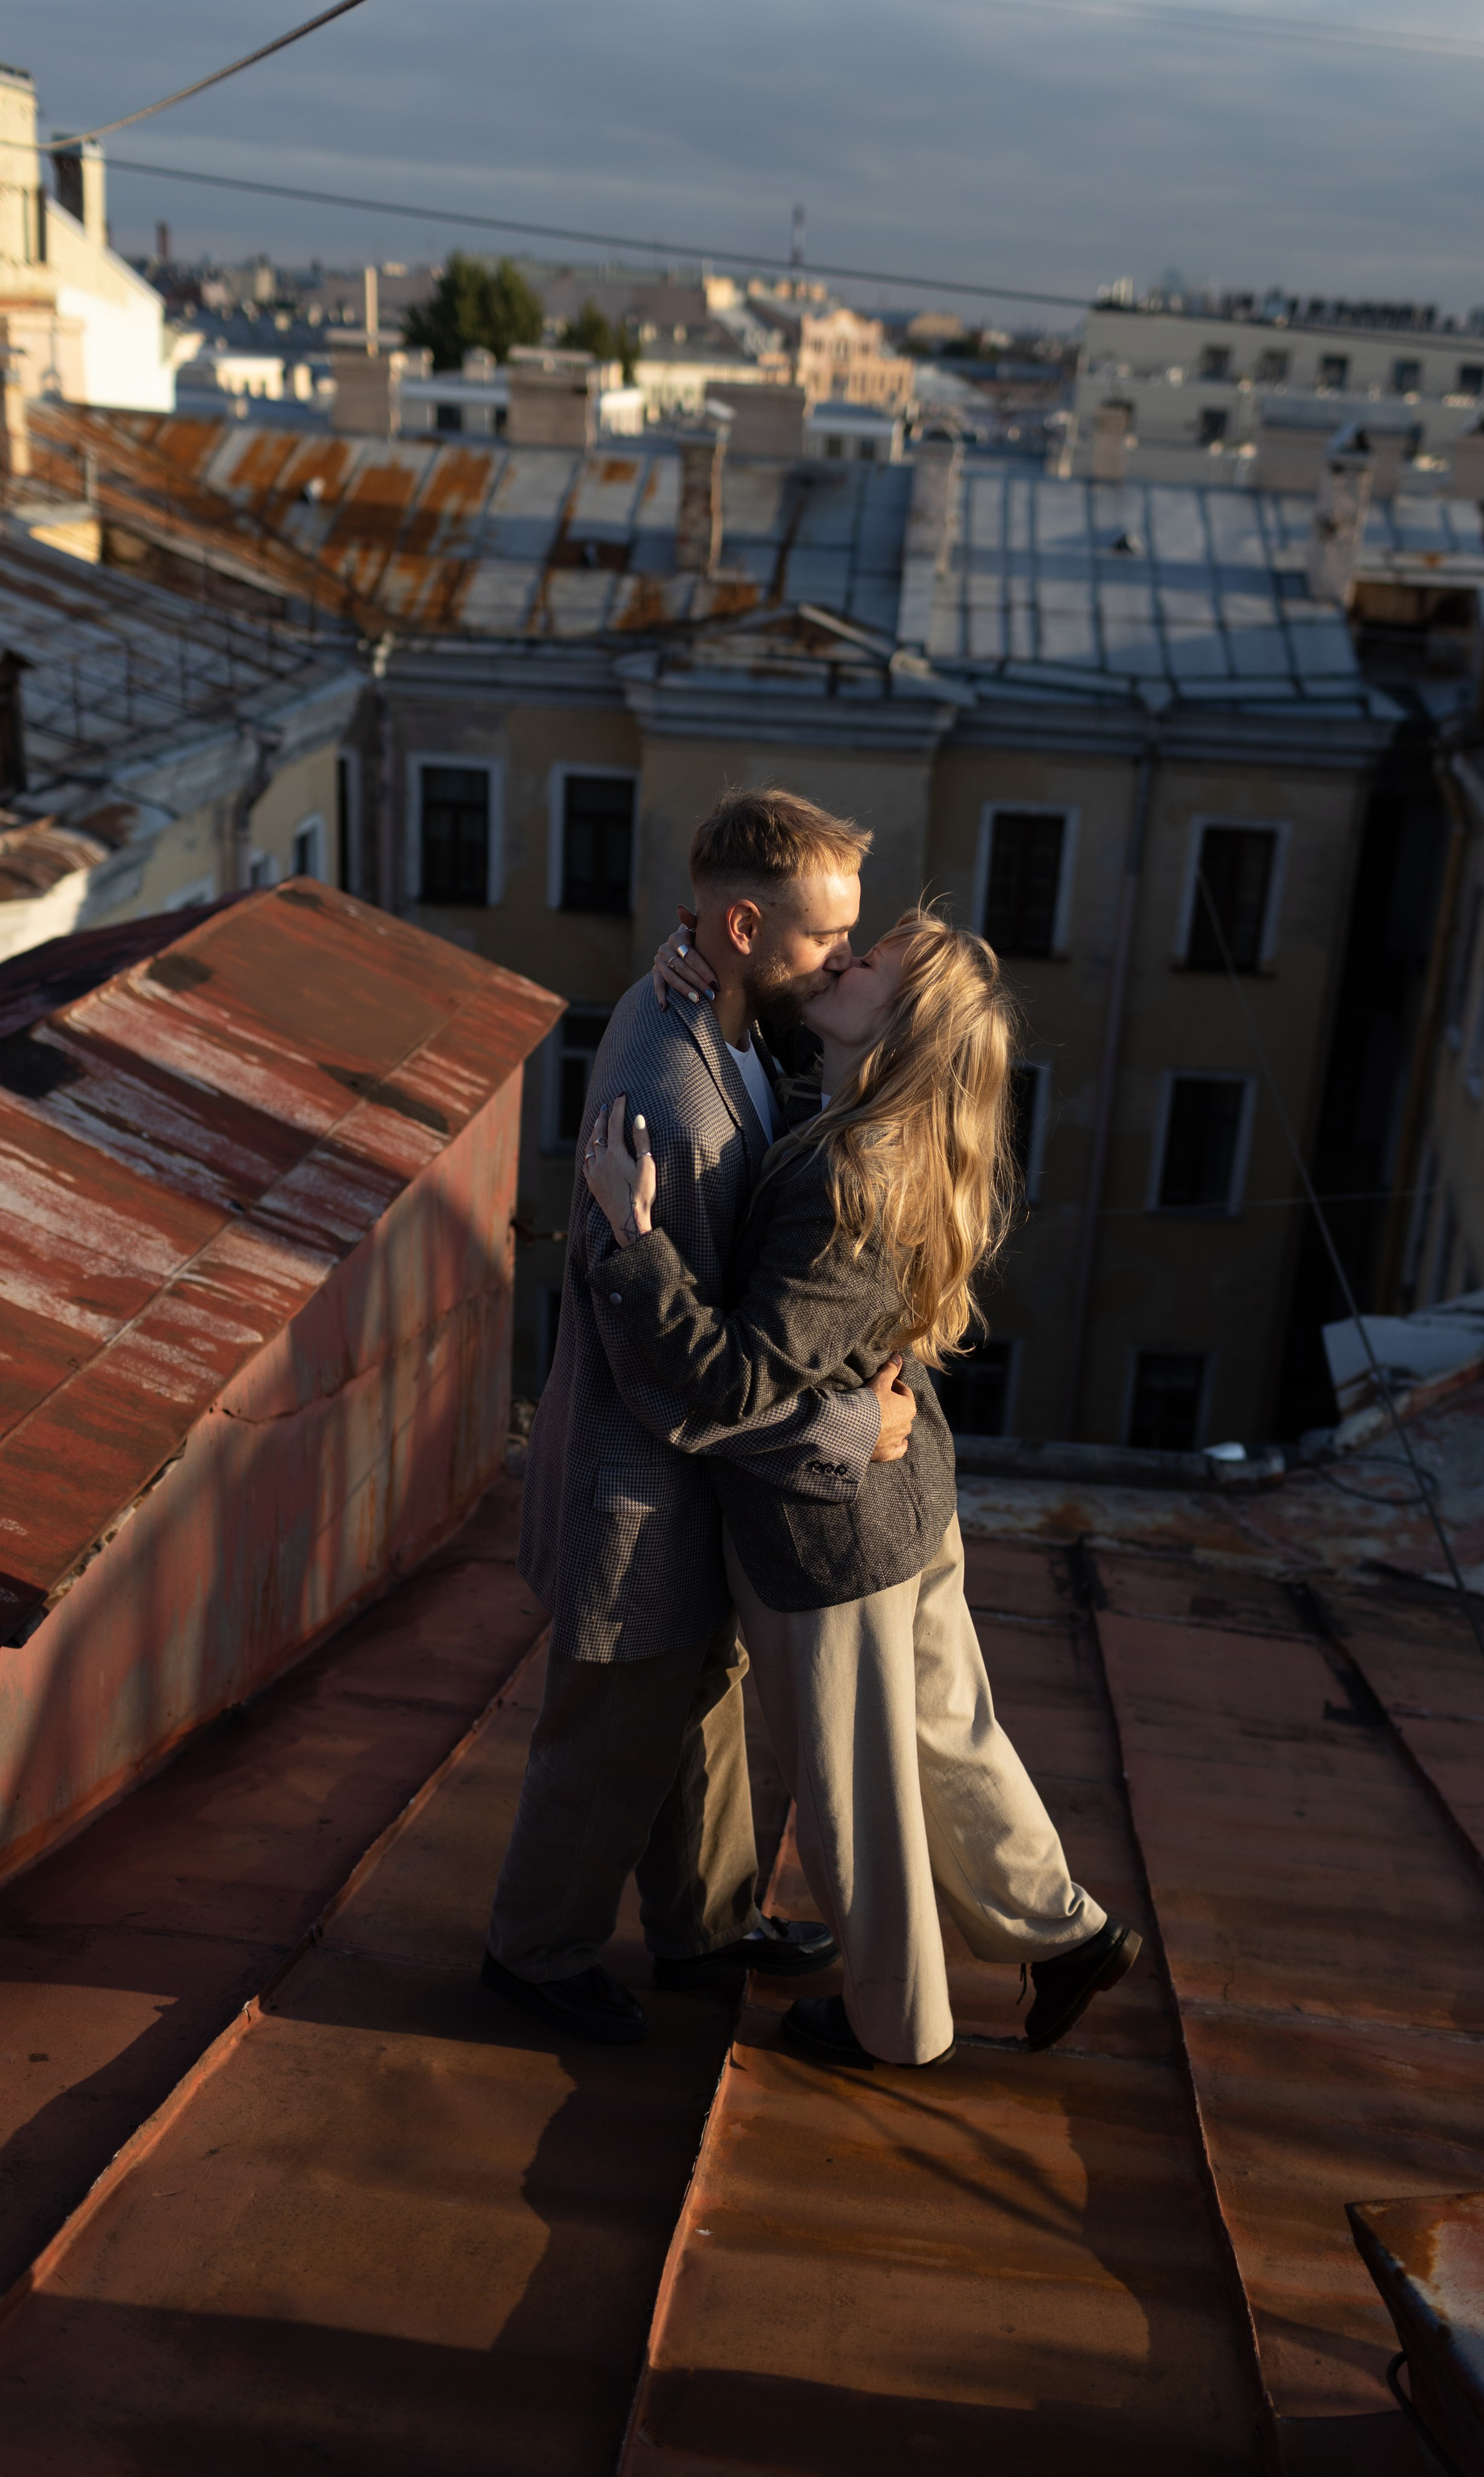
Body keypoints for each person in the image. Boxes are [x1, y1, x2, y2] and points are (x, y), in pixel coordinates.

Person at [582, 908, 1140, 2071]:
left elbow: (736, 1380)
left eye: (864, 963)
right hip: (904, 1503)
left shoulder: (850, 1177)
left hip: (827, 1538)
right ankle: (1067, 1934)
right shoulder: (875, 1129)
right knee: (948, 1740)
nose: (837, 962)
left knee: (857, 1798)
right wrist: (691, 969)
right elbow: (773, 1074)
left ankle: (899, 2026)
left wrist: (635, 1243)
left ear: (897, 1027)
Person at [484, 790, 918, 2045]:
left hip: (692, 1498)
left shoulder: (700, 999)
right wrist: (853, 1436)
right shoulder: (667, 1100)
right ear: (738, 925)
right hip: (640, 1493)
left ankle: (707, 1925)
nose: (841, 960)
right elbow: (669, 1374)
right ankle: (533, 1954)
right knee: (608, 1740)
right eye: (820, 939)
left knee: (701, 1720)